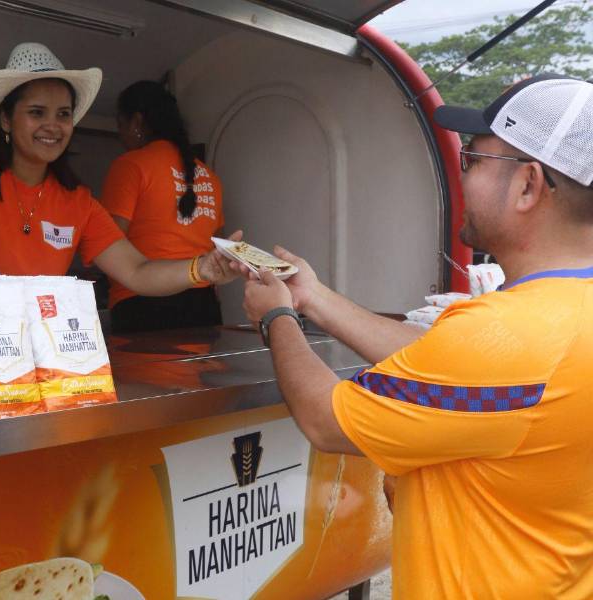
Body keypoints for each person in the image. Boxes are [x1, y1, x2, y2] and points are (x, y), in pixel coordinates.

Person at [240, 74, 593, 598]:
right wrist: (311, 296)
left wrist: (277, 318)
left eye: (473, 161)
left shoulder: (508, 335)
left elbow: (325, 419)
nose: (462, 174)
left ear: (528, 186)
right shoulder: (554, 315)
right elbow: (442, 363)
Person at [0, 43, 239, 346]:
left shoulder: (76, 201)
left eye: (63, 114)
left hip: (16, 360)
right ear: (6, 119)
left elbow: (137, 270)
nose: (53, 125)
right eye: (37, 112)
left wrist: (201, 268)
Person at [99, 80, 224, 333]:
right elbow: (217, 244)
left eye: (120, 126)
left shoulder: (130, 165)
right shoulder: (209, 175)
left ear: (136, 122)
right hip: (203, 305)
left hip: (143, 301)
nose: (121, 135)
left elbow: (108, 239)